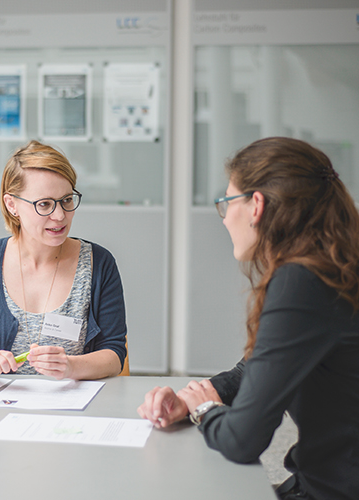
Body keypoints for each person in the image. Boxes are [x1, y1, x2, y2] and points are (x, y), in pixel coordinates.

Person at [138, 137, 359, 500]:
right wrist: (194, 399)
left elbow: (243, 438)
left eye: (226, 203)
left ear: (256, 205)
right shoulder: (332, 266)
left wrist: (204, 411)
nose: (224, 219)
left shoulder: (302, 281)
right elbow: (256, 368)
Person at [0, 140, 127, 380]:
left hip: (73, 408)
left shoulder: (99, 263)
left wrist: (71, 367)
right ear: (12, 205)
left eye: (67, 200)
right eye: (44, 204)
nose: (60, 215)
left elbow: (114, 354)